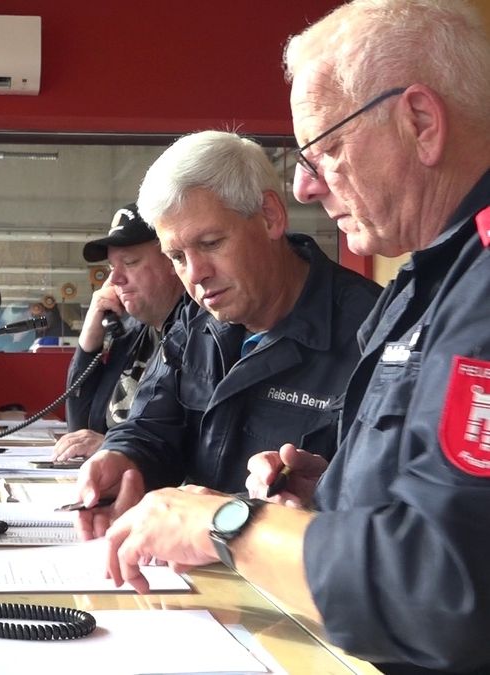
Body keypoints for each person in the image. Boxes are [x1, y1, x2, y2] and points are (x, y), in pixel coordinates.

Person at [101, 1, 490, 673]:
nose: (308, 186)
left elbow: (446, 588)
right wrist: (333, 493)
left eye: (327, 150)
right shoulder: (431, 281)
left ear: (421, 123)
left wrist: (229, 525)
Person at [75, 129, 381, 532]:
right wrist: (120, 458)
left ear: (270, 216)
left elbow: (382, 507)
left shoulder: (373, 332)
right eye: (177, 256)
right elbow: (152, 425)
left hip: (292, 566)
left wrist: (311, 500)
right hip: (193, 562)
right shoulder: (194, 320)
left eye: (211, 243)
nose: (195, 274)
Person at [53, 204, 185, 461]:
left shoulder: (197, 338)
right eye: (112, 267)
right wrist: (90, 338)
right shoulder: (132, 334)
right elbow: (80, 427)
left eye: (130, 262)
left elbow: (192, 446)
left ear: (172, 259)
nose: (115, 279)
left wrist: (115, 447)